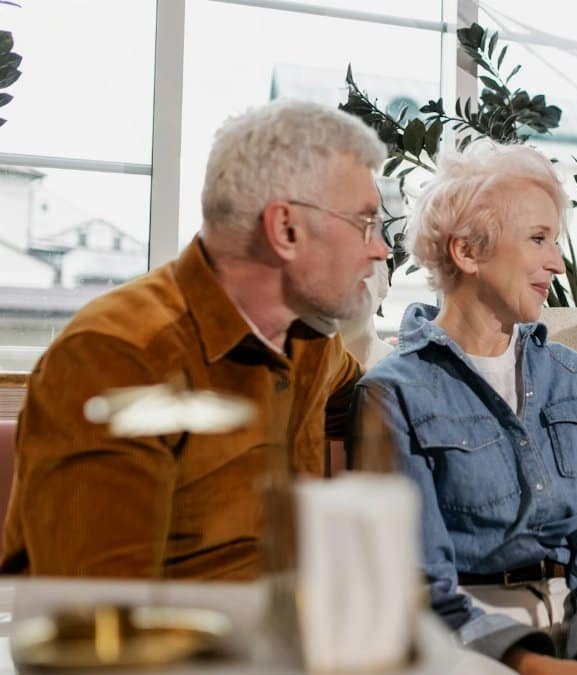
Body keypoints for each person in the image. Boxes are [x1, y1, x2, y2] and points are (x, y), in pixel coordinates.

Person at [1, 99, 388, 579]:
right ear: (285, 229)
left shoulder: (312, 342)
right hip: (179, 650)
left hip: (289, 637)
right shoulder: (116, 357)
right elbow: (100, 621)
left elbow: (372, 402)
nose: (380, 248)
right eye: (365, 223)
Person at [351, 139, 577, 675]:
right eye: (539, 239)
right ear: (467, 251)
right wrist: (530, 665)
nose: (558, 265)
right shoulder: (393, 394)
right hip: (468, 647)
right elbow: (416, 580)